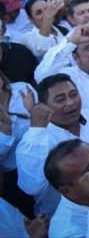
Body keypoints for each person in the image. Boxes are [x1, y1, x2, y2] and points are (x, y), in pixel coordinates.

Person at [16, 74, 89, 216]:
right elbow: (31, 186)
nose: (70, 103)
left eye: (73, 95)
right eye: (60, 99)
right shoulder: (34, 141)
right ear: (44, 106)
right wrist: (37, 130)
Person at [0, 75, 37, 218]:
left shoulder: (22, 88)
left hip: (39, 158)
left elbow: (45, 117)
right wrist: (5, 128)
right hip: (13, 179)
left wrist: (33, 110)